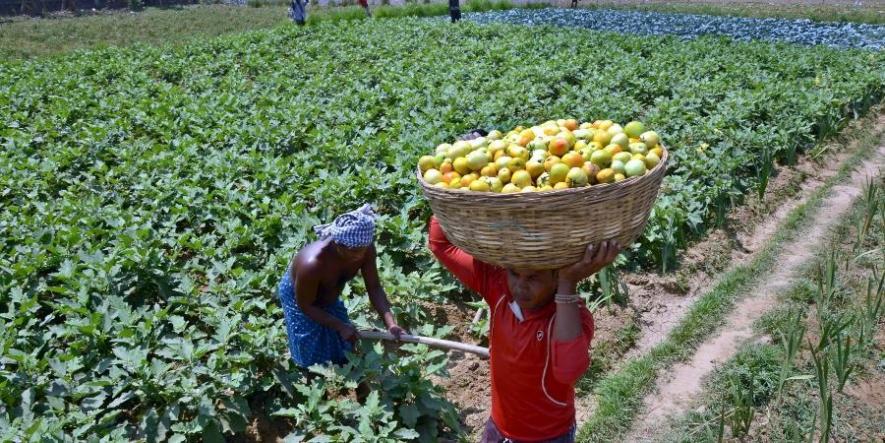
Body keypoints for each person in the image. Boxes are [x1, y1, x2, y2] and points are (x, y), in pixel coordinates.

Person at [428, 217, 620, 442]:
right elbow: (440, 244)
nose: (520, 285)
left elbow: (568, 371)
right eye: (514, 273)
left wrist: (568, 283)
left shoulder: (570, 316)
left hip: (547, 436)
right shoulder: (499, 289)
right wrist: (448, 198)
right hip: (498, 428)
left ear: (557, 276)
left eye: (533, 278)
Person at [278, 204, 406, 368]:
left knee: (347, 345)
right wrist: (339, 326)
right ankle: (316, 386)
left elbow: (374, 287)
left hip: (328, 294)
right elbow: (307, 306)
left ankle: (355, 380)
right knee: (311, 346)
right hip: (300, 297)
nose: (358, 256)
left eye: (362, 250)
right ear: (337, 243)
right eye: (353, 251)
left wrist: (391, 323)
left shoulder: (364, 249)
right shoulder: (313, 264)